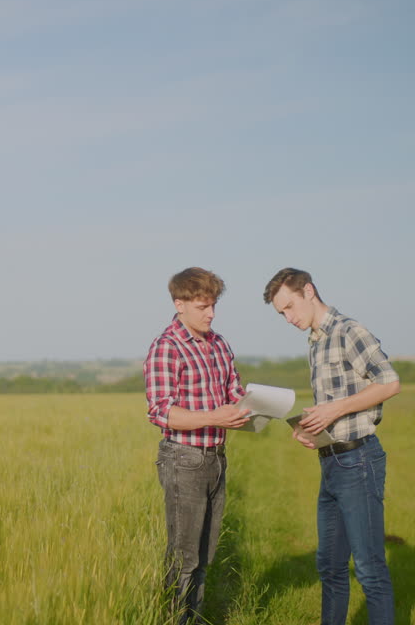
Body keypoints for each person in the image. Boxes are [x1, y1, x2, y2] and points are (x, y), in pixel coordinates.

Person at [263, 267, 400, 625]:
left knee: (369, 569)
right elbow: (335, 406)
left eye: (290, 307)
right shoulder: (316, 340)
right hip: (331, 462)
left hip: (359, 461)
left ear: (308, 291)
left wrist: (333, 410)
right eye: (282, 314)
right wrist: (313, 428)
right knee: (330, 566)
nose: (288, 318)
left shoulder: (347, 331)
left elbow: (389, 382)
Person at [145, 267, 250, 625]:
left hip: (217, 459)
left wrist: (253, 407)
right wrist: (215, 417)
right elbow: (162, 412)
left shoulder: (219, 344)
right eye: (204, 306)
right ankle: (172, 619)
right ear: (180, 304)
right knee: (184, 557)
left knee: (204, 557)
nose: (211, 313)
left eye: (213, 305)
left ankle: (192, 619)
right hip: (183, 460)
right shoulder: (166, 347)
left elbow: (234, 393)